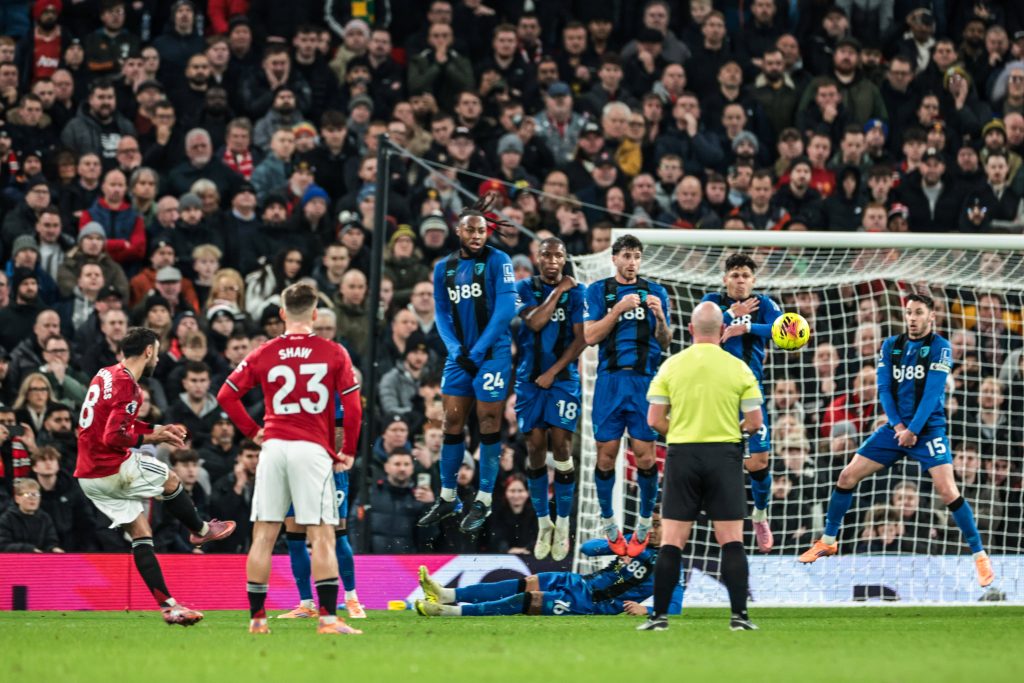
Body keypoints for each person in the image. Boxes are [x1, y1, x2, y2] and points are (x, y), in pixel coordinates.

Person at [799, 294, 996, 590]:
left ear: (931, 316)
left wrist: (913, 429)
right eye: (909, 312)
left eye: (919, 312)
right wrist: (900, 427)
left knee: (947, 490)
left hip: (928, 430)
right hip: (896, 430)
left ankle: (980, 556)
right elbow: (884, 389)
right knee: (846, 476)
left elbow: (932, 393)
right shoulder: (891, 345)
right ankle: (828, 541)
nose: (912, 318)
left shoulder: (940, 347)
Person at [215, 282, 363, 636]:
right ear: (315, 314)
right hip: (312, 450)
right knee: (322, 535)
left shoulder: (264, 352)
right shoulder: (334, 352)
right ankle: (327, 619)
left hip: (274, 448)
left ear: (282, 313)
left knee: (264, 536)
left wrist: (253, 432)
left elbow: (226, 395)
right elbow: (353, 407)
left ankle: (257, 620)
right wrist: (348, 450)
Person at [74, 326, 236, 625]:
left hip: (88, 477)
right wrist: (153, 438)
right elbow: (114, 436)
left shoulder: (105, 374)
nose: (158, 359)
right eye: (158, 353)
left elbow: (116, 421)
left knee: (141, 532)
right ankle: (201, 530)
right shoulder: (129, 386)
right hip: (112, 467)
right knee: (170, 479)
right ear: (148, 351)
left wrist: (156, 429)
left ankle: (170, 607)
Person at [637, 301, 762, 632]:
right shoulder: (739, 368)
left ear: (691, 329)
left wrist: (681, 433)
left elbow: (654, 420)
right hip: (725, 455)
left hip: (683, 455)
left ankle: (658, 618)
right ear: (722, 331)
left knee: (672, 541)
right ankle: (739, 617)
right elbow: (754, 422)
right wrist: (732, 434)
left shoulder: (671, 366)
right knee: (731, 540)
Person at [417, 198, 517, 534]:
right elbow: (441, 312)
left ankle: (484, 499)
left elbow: (505, 311)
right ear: (458, 232)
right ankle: (448, 497)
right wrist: (454, 348)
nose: (476, 235)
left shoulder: (499, 261)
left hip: (492, 355)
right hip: (460, 356)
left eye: (481, 230)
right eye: (470, 230)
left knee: (488, 422)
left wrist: (477, 350)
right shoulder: (442, 268)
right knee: (451, 422)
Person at [582, 234, 670, 557]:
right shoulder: (598, 291)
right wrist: (617, 309)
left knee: (646, 457)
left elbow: (665, 341)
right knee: (606, 456)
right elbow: (590, 336)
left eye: (637, 257)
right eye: (627, 256)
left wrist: (660, 318)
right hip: (610, 382)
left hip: (644, 383)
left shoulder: (656, 292)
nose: (632, 262)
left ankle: (645, 522)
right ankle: (609, 523)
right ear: (614, 258)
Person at [414, 512, 681, 617]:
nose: (650, 529)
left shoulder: (670, 564)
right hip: (578, 582)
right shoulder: (635, 543)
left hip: (592, 603)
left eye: (657, 525)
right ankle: (447, 594)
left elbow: (675, 607)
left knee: (527, 599)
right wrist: (616, 545)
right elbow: (588, 549)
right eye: (649, 523)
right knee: (524, 583)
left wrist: (646, 610)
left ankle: (449, 612)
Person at [700, 253, 783, 553]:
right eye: (734, 275)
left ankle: (760, 515)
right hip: (716, 391)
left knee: (759, 461)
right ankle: (718, 521)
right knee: (715, 458)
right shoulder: (712, 302)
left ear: (753, 280)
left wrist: (747, 327)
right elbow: (699, 331)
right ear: (725, 279)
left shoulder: (765, 304)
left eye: (745, 275)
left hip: (750, 390)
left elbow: (784, 331)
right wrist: (729, 315)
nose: (740, 280)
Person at [514, 237, 586, 561]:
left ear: (565, 258)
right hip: (529, 381)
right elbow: (534, 322)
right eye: (547, 255)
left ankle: (563, 520)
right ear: (538, 258)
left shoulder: (579, 293)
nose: (552, 260)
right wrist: (558, 292)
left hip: (563, 381)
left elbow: (581, 339)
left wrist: (554, 372)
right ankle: (544, 523)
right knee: (534, 448)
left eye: (558, 255)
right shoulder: (524, 288)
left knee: (562, 446)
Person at [278, 392, 365, 621]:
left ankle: (351, 598)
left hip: (328, 470)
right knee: (295, 536)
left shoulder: (332, 388)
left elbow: (340, 432)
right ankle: (306, 604)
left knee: (337, 534)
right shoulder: (290, 387)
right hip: (295, 470)